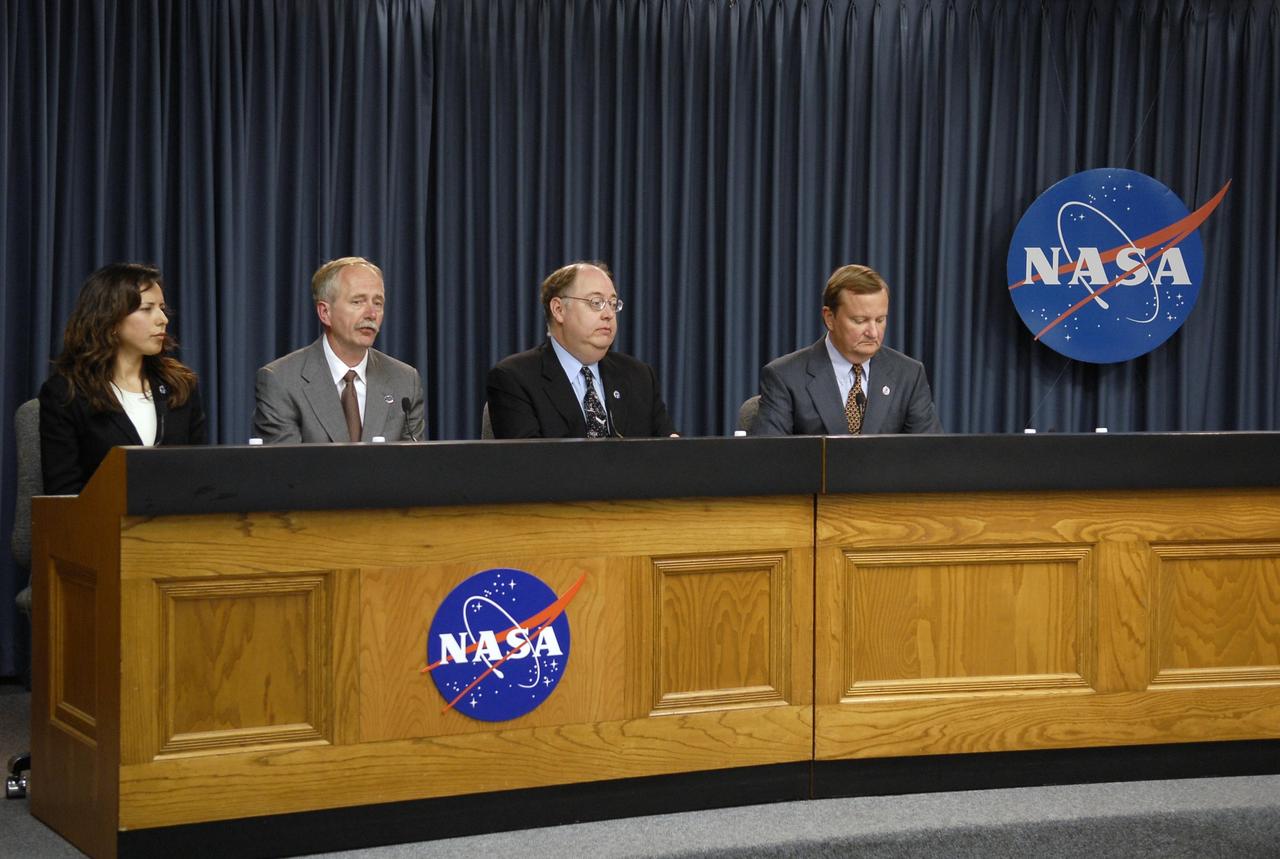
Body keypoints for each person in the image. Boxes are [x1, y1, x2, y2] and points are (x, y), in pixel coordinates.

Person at [39, 263, 207, 494]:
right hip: (98, 527)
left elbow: (200, 477)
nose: (162, 319)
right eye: (147, 308)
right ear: (111, 320)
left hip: (174, 527)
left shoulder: (180, 386)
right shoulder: (66, 394)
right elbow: (63, 495)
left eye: (162, 308)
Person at [487, 261, 676, 438]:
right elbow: (528, 465)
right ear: (559, 309)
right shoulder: (514, 378)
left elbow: (668, 453)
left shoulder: (639, 376)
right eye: (596, 303)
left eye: (612, 303)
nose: (609, 314)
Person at [751, 264, 942, 436]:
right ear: (829, 318)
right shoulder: (785, 377)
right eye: (860, 321)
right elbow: (769, 462)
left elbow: (930, 457)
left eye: (880, 320)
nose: (873, 332)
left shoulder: (908, 375)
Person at [253, 257, 426, 443]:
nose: (371, 314)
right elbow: (284, 467)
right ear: (325, 313)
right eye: (357, 302)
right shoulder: (282, 381)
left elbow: (413, 466)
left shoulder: (405, 381)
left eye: (378, 303)